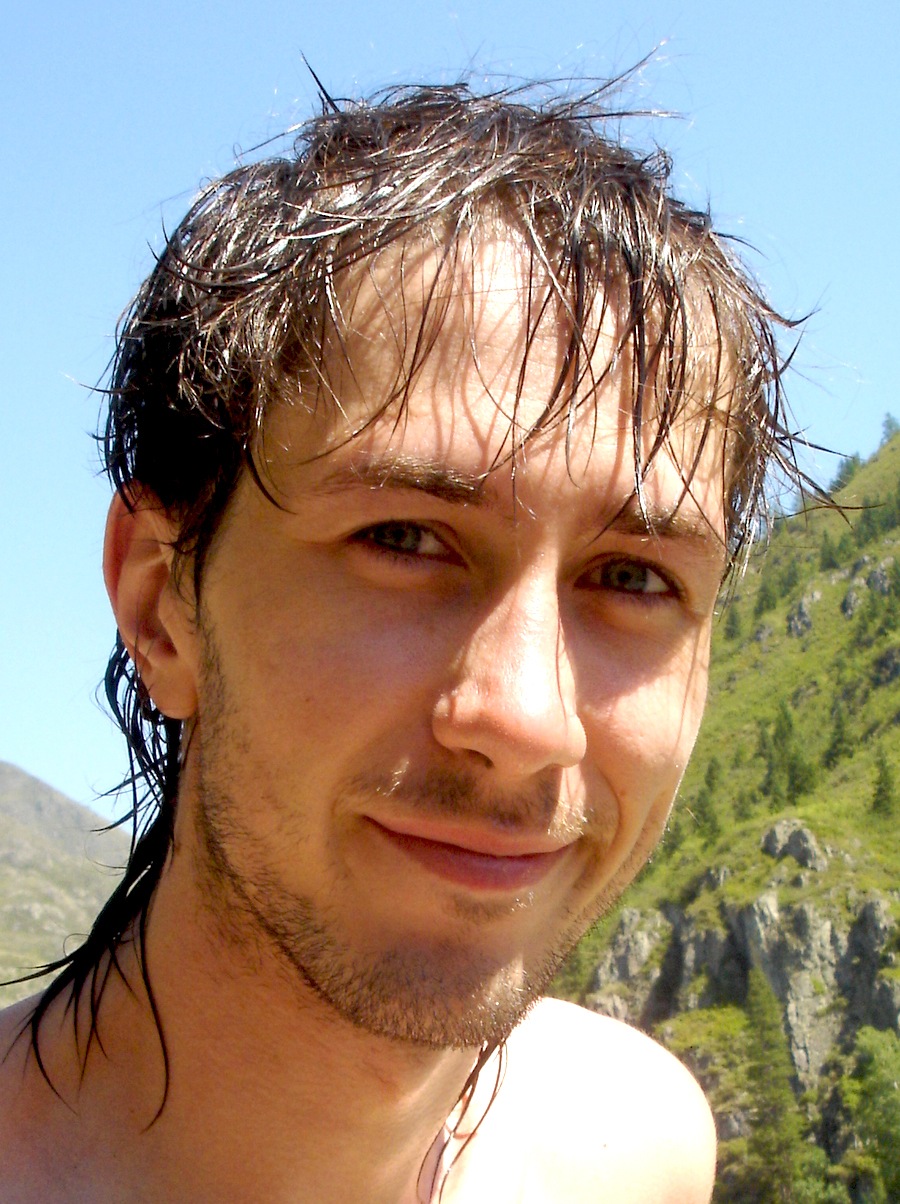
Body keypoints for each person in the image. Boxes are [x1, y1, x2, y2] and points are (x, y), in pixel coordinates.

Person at [0, 80, 803, 1202]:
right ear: (158, 601)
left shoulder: (635, 1147)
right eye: (405, 539)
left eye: (634, 578)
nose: (525, 719)